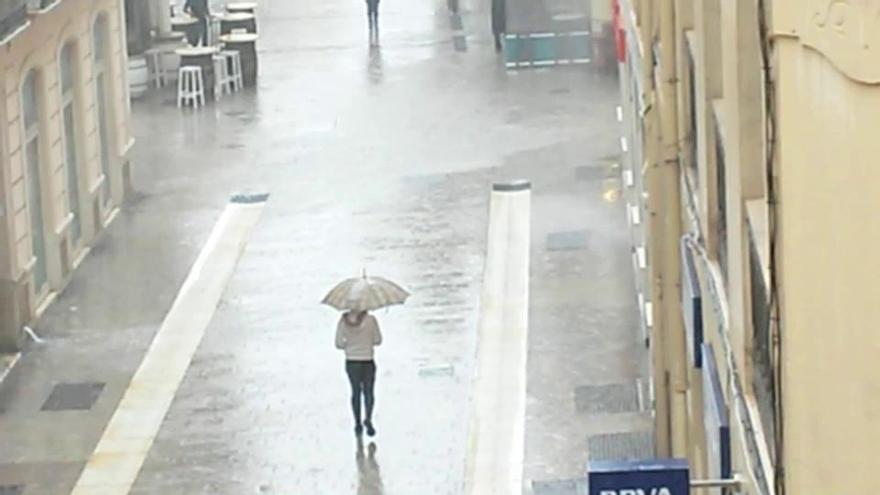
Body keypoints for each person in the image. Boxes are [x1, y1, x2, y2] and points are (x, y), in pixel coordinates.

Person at [336, 310, 383, 436]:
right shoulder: (371, 320)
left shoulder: (343, 320)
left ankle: (357, 423)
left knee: (355, 392)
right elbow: (378, 340)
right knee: (369, 392)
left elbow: (338, 344)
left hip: (351, 361)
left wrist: (349, 345)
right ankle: (368, 418)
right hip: (367, 360)